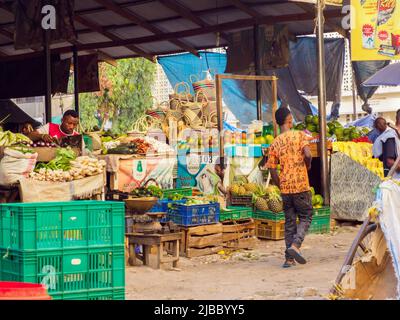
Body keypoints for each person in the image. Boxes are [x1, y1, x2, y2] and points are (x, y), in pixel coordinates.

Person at [266, 108, 313, 268]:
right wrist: (308, 165)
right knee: (306, 216)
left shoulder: (275, 142)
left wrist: (281, 185)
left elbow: (272, 169)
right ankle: (295, 246)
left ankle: (288, 259)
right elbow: (307, 154)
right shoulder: (300, 135)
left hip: (285, 189)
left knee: (289, 223)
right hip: (300, 185)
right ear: (290, 120)